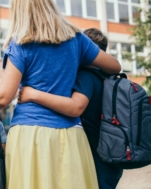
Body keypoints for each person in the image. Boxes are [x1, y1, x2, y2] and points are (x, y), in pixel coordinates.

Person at [0, 0, 121, 188]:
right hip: (71, 136)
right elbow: (115, 66)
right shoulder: (77, 39)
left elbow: (3, 97)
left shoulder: (20, 44)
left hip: (30, 136)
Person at [18, 28, 123, 189]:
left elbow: (76, 107)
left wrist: (33, 94)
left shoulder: (87, 76)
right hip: (111, 156)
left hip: (97, 160)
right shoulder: (107, 78)